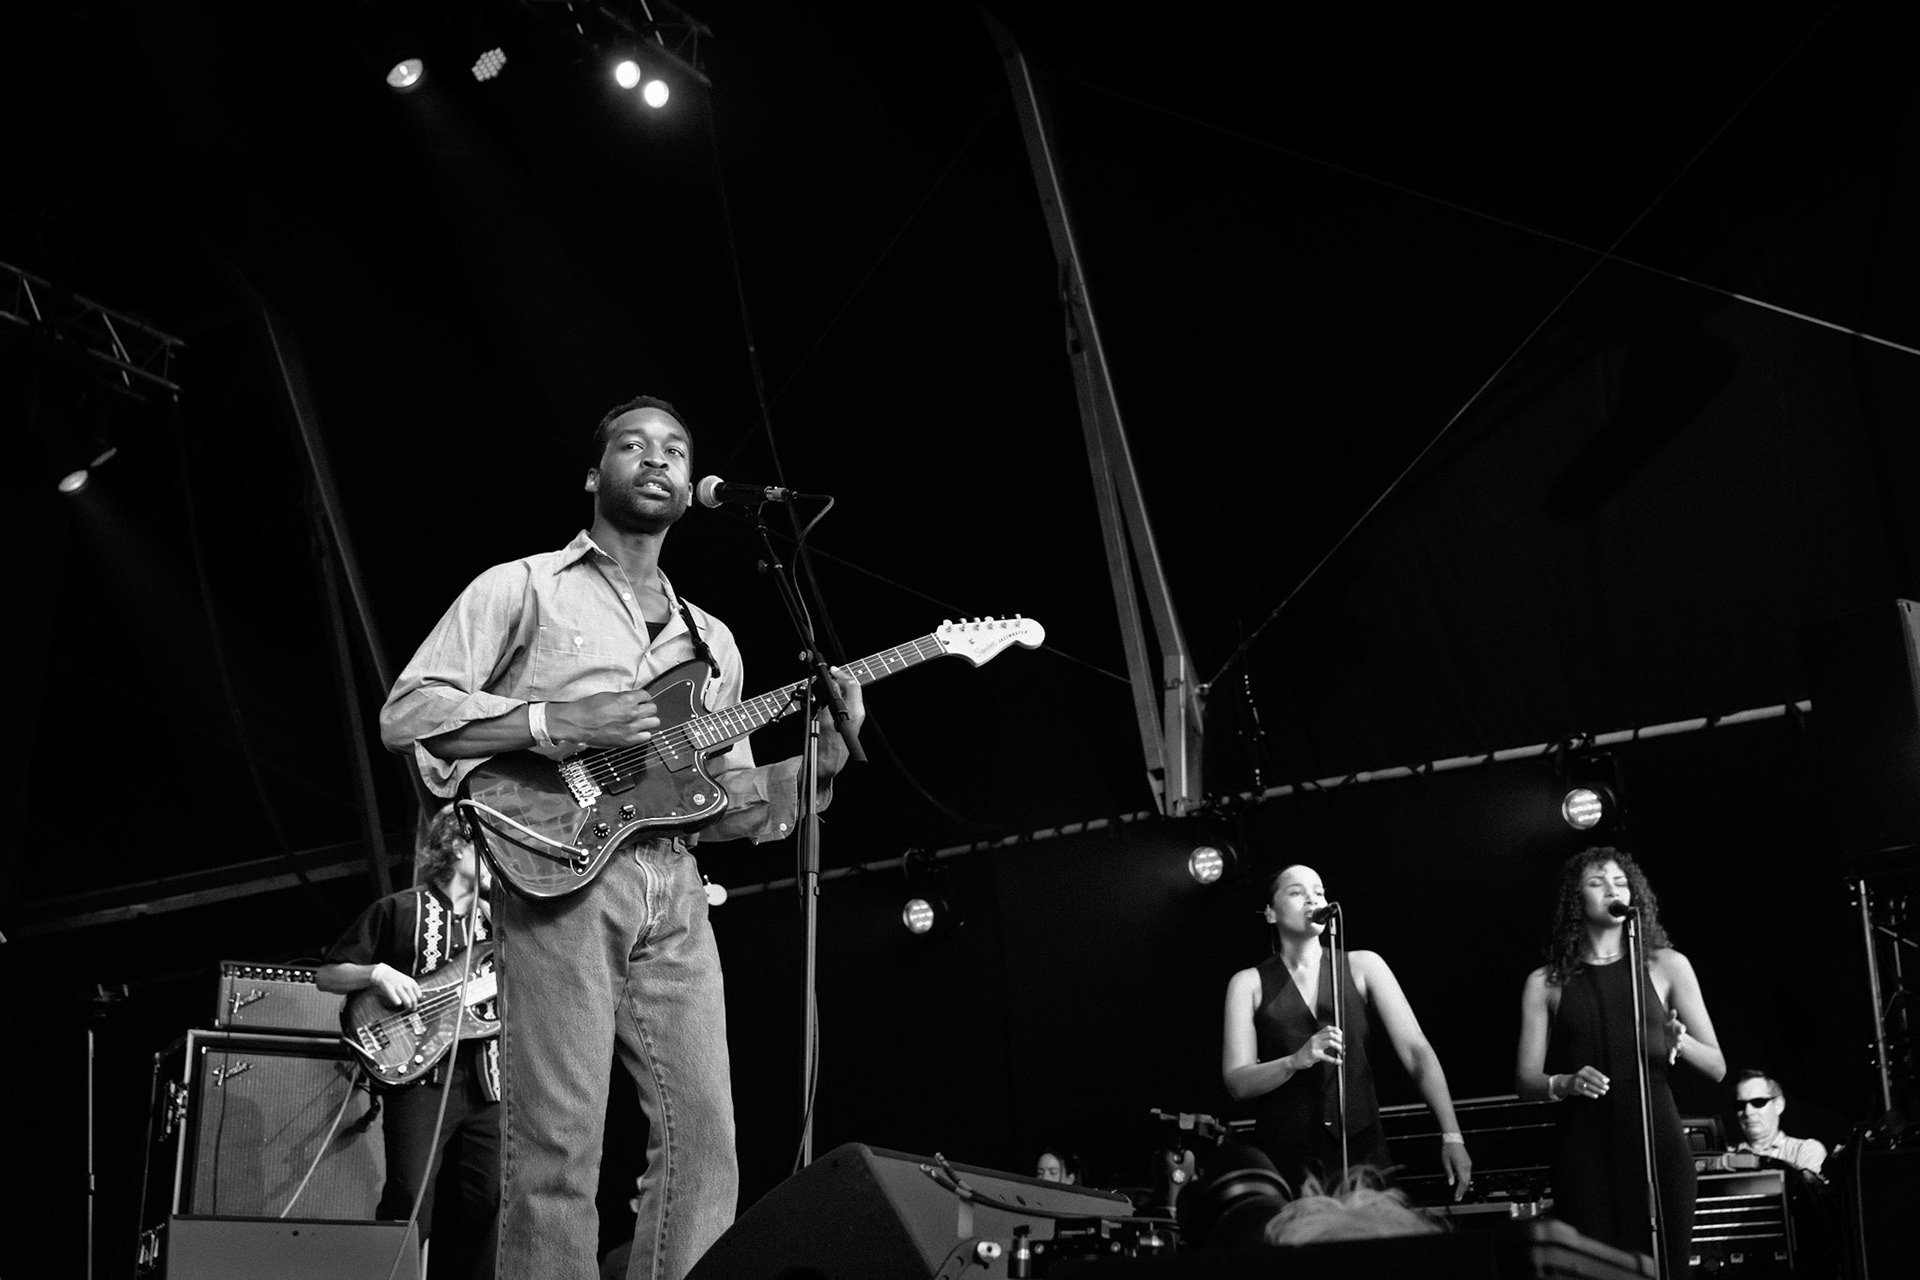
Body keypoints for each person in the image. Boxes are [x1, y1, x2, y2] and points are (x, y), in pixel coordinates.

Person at [378, 395, 865, 1280]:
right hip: (560, 875)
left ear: (690, 486)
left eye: (676, 450)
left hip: (672, 887)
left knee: (707, 1143)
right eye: (634, 445)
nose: (658, 458)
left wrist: (817, 767)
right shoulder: (520, 586)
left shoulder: (711, 642)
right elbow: (410, 713)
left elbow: (720, 804)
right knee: (559, 1148)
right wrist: (552, 718)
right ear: (593, 475)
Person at [1514, 847, 1725, 1271]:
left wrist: (1677, 1043)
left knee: (1667, 1266)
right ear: (1576, 900)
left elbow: (1717, 1067)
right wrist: (1566, 1082)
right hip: (1584, 1147)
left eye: (1620, 881)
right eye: (1597, 882)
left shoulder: (1667, 965)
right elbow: (1525, 1080)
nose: (1612, 889)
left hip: (1657, 1142)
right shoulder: (1546, 982)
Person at [316, 804, 501, 1280]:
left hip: (489, 1081)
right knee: (410, 1197)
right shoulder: (399, 909)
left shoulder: (503, 926)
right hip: (418, 1078)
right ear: (458, 846)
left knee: (494, 1200)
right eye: (488, 843)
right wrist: (375, 973)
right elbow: (328, 974)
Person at [1221, 864, 1474, 1201]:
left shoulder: (1363, 966)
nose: (1312, 898)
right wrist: (1294, 1061)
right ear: (1270, 913)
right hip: (1287, 1159)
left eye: (1319, 891)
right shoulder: (1248, 983)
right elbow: (1237, 1082)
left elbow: (1416, 1052)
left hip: (1362, 1152)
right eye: (1296, 892)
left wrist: (1452, 1134)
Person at [1730, 1070, 1826, 1175]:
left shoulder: (1805, 1150)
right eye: (1740, 1105)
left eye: (1758, 1102)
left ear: (1778, 1105)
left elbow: (1805, 1190)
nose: (1748, 1112)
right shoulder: (1725, 1156)